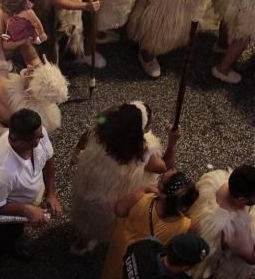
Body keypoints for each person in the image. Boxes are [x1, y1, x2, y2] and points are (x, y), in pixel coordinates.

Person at [93, 171, 200, 279]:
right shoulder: (187, 225)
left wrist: (143, 189)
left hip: (122, 251)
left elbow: (119, 210)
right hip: (146, 265)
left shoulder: (141, 199)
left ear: (163, 194)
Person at [71, 102, 177, 255]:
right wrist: (172, 141)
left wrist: (77, 152)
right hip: (113, 202)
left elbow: (91, 129)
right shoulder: (142, 154)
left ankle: (81, 244)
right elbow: (165, 166)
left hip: (89, 190)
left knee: (86, 221)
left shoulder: (98, 130)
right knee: (109, 226)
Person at [0, 109, 61, 279]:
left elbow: (49, 161)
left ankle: (14, 246)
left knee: (16, 232)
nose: (42, 137)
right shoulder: (1, 174)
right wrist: (26, 210)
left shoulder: (38, 135)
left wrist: (51, 193)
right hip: (6, 213)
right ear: (18, 139)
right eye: (37, 137)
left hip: (24, 203)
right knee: (1, 241)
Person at [0, 58, 68, 150]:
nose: (29, 67)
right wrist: (25, 43)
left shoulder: (9, 95)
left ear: (31, 92)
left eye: (32, 74)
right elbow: (33, 57)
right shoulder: (41, 97)